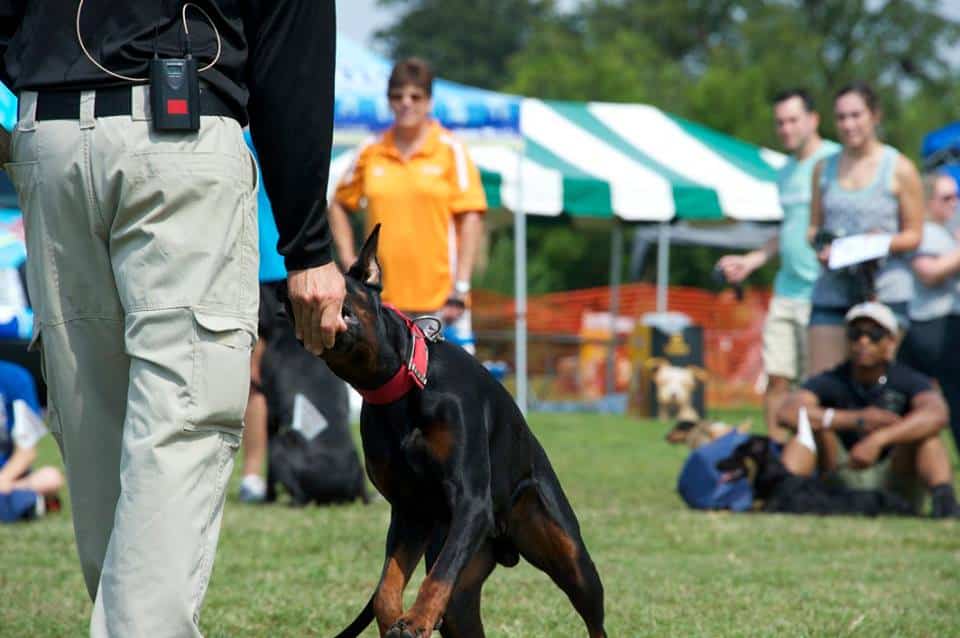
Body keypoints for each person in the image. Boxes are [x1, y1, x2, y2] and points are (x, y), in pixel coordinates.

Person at [0, 4, 345, 637]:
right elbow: (291, 42)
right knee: (179, 421)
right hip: (175, 131)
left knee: (93, 420)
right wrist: (309, 247)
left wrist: (33, 74)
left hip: (45, 135)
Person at [328, 58, 487, 352]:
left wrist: (460, 288)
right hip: (382, 303)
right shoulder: (371, 149)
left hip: (441, 304)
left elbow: (472, 218)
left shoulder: (450, 150)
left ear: (428, 102)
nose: (406, 104)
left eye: (415, 96)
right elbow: (338, 204)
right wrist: (351, 265)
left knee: (445, 393)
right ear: (389, 101)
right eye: (398, 96)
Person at [717, 89, 839, 443]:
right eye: (780, 122)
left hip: (825, 292)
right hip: (787, 291)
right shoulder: (784, 171)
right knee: (777, 378)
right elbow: (789, 229)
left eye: (793, 120)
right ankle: (776, 462)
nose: (785, 129)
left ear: (813, 120)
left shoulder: (834, 160)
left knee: (818, 385)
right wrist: (751, 261)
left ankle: (818, 465)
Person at [776, 302, 959, 518]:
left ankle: (944, 502)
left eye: (874, 334)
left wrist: (879, 440)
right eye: (856, 334)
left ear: (890, 342)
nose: (863, 341)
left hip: (894, 477)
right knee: (804, 432)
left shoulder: (908, 380)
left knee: (928, 437)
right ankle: (785, 498)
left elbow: (937, 414)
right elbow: (787, 412)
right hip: (843, 471)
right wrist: (857, 419)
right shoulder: (833, 379)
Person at [806, 81, 924, 376]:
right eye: (841, 117)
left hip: (884, 291)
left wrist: (878, 243)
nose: (848, 124)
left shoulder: (899, 168)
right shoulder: (824, 169)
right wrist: (824, 247)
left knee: (881, 389)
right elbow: (813, 228)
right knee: (824, 384)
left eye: (856, 115)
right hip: (833, 290)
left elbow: (914, 234)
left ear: (874, 116)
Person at [898, 171, 960, 454]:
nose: (954, 203)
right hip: (932, 325)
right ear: (927, 201)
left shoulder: (945, 232)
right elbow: (928, 272)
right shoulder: (926, 232)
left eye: (957, 196)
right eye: (946, 197)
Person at [0, 359, 64, 520]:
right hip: (10, 488)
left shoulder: (14, 377)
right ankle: (25, 504)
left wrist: (4, 479)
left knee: (51, 478)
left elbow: (26, 451)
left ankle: (18, 502)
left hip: (9, 478)